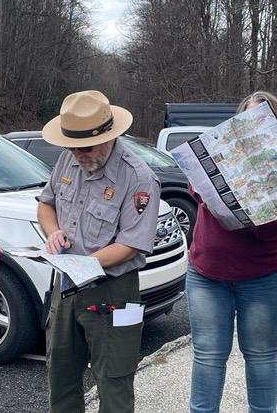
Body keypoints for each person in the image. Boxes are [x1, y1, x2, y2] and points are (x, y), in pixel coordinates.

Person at [37, 90, 161, 413]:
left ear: (108, 136)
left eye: (86, 147)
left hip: (113, 292)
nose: (78, 155)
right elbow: (46, 205)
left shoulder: (138, 178)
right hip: (65, 289)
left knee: (114, 386)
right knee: (60, 379)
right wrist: (53, 234)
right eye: (71, 147)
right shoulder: (68, 159)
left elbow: (131, 243)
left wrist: (86, 263)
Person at [185, 91, 277, 413]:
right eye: (246, 116)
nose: (252, 123)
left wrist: (253, 212)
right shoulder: (219, 147)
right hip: (207, 273)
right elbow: (195, 186)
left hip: (263, 276)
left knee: (260, 356)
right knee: (207, 355)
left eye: (262, 117)